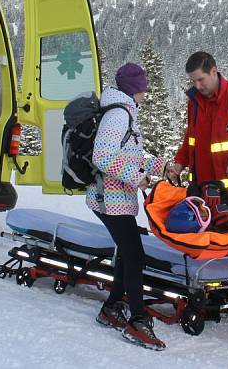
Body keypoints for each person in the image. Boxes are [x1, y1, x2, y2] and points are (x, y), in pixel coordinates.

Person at [85, 63, 166, 350]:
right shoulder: (118, 114)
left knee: (128, 253)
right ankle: (138, 320)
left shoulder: (124, 111)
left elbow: (131, 153)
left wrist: (164, 167)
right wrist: (139, 179)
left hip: (117, 198)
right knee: (135, 256)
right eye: (144, 86)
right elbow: (103, 156)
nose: (146, 91)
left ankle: (111, 308)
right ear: (135, 88)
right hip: (109, 199)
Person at [166, 51, 228, 193]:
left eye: (201, 79)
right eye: (193, 81)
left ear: (214, 71)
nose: (197, 86)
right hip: (203, 191)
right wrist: (179, 164)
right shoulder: (194, 103)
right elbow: (190, 139)